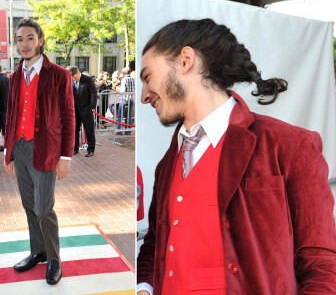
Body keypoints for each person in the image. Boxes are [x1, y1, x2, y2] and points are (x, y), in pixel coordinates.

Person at [137, 19, 336, 295]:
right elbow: (155, 245)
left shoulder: (291, 146)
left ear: (185, 61)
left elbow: (321, 268)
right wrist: (144, 288)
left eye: (148, 77)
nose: (145, 96)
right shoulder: (166, 164)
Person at [3, 18, 75, 285]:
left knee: (44, 208)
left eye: (30, 38)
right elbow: (11, 115)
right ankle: (39, 251)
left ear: (41, 40)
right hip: (19, 148)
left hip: (46, 149)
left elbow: (69, 117)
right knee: (28, 205)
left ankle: (54, 258)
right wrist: (8, 151)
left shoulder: (59, 74)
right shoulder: (13, 76)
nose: (24, 44)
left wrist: (66, 156)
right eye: (20, 39)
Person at [69, 66, 97, 157]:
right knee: (75, 129)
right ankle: (75, 148)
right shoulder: (71, 81)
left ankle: (90, 149)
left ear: (77, 73)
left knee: (89, 130)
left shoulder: (87, 79)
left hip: (86, 109)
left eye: (74, 77)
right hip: (75, 110)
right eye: (72, 78)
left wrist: (92, 107)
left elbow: (93, 93)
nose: (73, 79)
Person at [116, 67, 134, 135]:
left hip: (124, 98)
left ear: (124, 73)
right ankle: (128, 131)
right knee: (129, 115)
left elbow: (122, 91)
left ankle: (119, 131)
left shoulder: (124, 80)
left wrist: (118, 90)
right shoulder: (132, 79)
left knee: (120, 115)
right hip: (131, 98)